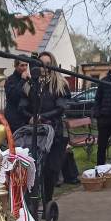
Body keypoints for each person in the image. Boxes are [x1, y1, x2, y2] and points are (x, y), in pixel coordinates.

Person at [23, 50, 71, 202]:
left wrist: (42, 117)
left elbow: (61, 107)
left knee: (50, 170)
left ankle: (47, 201)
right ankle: (32, 201)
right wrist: (30, 117)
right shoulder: (30, 85)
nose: (44, 67)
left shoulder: (60, 84)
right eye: (41, 64)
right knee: (34, 169)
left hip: (55, 133)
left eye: (47, 64)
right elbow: (22, 106)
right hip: (35, 133)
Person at [4, 60, 31, 133]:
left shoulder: (28, 79)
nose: (25, 68)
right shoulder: (10, 80)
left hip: (26, 117)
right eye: (22, 65)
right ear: (16, 66)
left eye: (26, 65)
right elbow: (13, 96)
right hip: (14, 118)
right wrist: (22, 80)